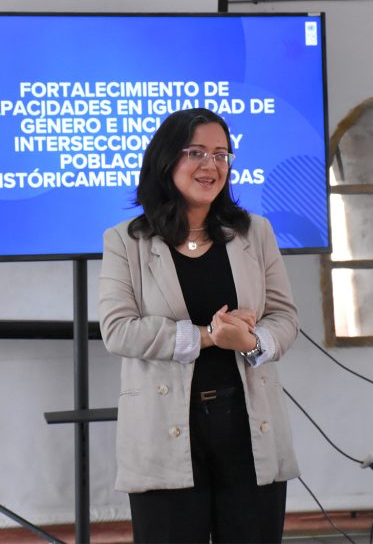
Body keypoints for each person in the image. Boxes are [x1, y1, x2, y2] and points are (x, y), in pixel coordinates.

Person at [99, 108, 299, 543]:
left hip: (248, 425)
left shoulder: (255, 233)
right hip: (164, 429)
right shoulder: (126, 241)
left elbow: (285, 318)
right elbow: (117, 329)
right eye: (196, 152)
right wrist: (209, 336)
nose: (211, 165)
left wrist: (249, 341)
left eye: (221, 154)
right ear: (166, 160)